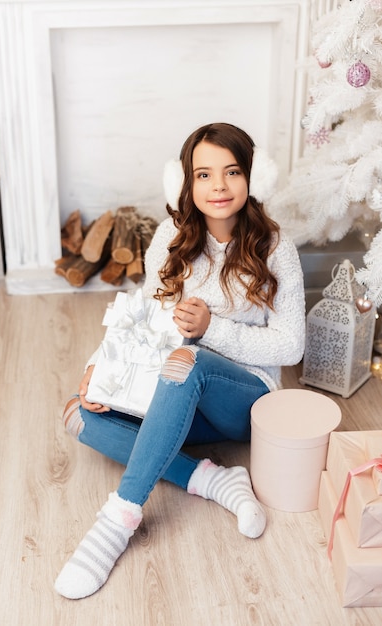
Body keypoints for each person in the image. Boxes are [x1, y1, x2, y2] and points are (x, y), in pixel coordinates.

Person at [55, 122, 305, 600]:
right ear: (187, 183)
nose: (219, 187)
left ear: (252, 177)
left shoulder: (276, 248)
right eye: (204, 175)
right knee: (78, 415)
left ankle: (117, 520)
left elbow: (291, 346)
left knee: (187, 357)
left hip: (243, 400)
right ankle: (214, 481)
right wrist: (100, 367)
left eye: (232, 172)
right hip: (176, 389)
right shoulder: (171, 235)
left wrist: (213, 329)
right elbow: (146, 312)